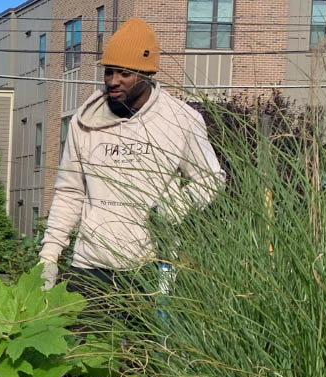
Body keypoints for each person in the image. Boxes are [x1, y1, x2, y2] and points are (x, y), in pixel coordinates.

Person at [39, 18, 225, 297]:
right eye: (109, 72)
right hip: (88, 267)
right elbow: (70, 191)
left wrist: (177, 205)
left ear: (146, 73)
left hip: (149, 267)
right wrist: (50, 255)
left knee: (144, 343)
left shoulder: (181, 119)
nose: (113, 81)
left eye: (124, 73)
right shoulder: (84, 121)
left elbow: (211, 178)